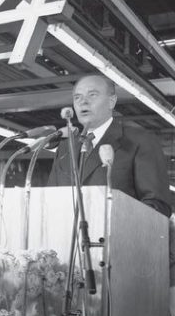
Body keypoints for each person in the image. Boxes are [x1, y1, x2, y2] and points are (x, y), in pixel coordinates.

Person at [48, 74, 171, 217]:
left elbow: (157, 205)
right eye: (77, 97)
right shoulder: (65, 148)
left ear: (111, 102)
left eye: (92, 95)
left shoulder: (140, 140)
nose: (83, 102)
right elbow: (51, 200)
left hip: (118, 230)